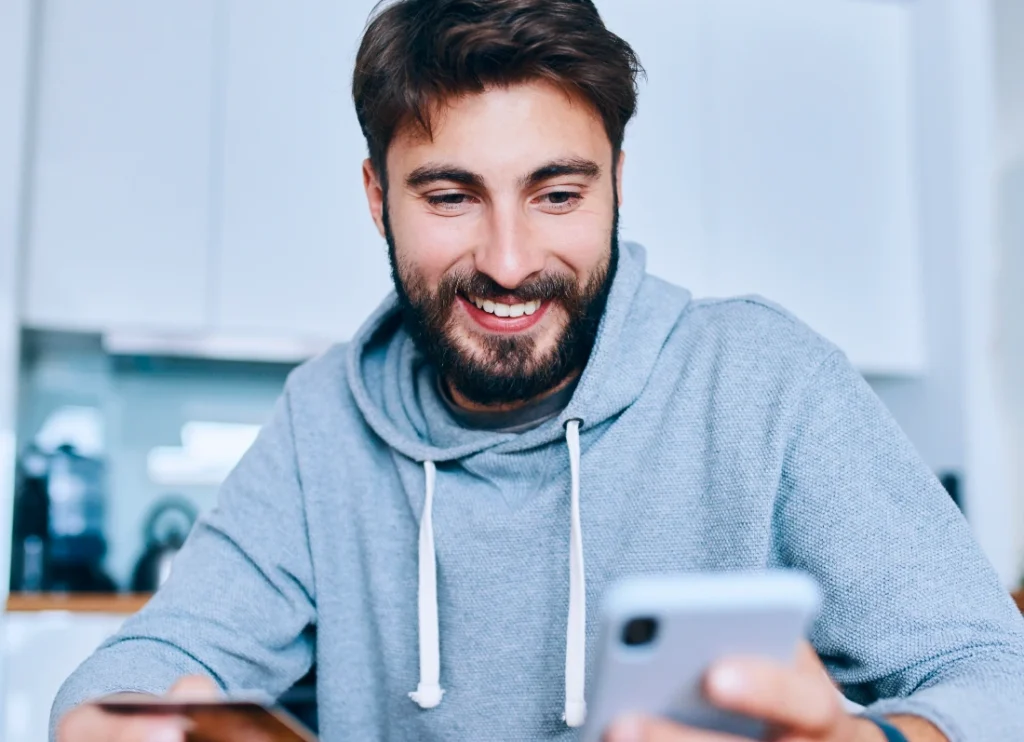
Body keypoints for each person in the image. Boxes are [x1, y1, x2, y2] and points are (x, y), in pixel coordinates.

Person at [54, 1, 1024, 740]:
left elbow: (993, 673)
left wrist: (872, 737)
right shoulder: (325, 421)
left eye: (556, 193)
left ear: (616, 182)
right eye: (450, 195)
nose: (511, 260)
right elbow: (158, 653)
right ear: (375, 195)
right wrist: (108, 713)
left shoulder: (763, 383)